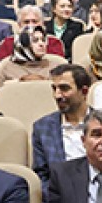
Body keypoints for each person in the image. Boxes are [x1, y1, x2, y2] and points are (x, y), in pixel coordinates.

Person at [32, 64, 92, 192]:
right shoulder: (42, 128)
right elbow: (41, 176)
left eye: (64, 88)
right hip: (60, 200)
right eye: (54, 89)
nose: (57, 95)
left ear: (84, 91)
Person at [0, 26, 53, 91]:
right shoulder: (7, 66)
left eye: (43, 40)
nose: (41, 44)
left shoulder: (54, 65)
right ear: (23, 43)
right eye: (35, 40)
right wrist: (19, 82)